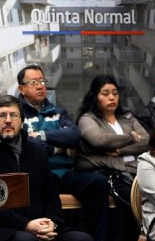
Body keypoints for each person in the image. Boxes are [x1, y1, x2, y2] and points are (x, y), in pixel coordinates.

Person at [0, 95, 93, 241]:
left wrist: (52, 223)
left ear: (22, 122)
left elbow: (51, 196)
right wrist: (26, 224)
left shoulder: (37, 151)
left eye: (14, 115)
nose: (8, 120)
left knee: (81, 238)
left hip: (40, 224)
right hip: (2, 229)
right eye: (1, 115)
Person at [17, 65, 110, 241]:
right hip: (35, 178)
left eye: (42, 81)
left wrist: (41, 136)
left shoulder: (58, 112)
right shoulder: (17, 114)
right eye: (33, 82)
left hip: (62, 174)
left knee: (98, 183)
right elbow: (25, 145)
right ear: (21, 89)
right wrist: (56, 147)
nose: (40, 86)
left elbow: (73, 136)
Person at [75, 74, 149, 241]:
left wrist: (120, 151)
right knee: (135, 200)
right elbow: (99, 139)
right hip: (111, 173)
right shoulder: (88, 118)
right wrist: (130, 137)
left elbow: (146, 141)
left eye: (115, 93)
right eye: (105, 93)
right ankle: (144, 234)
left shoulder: (127, 117)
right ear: (95, 96)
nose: (111, 97)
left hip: (136, 170)